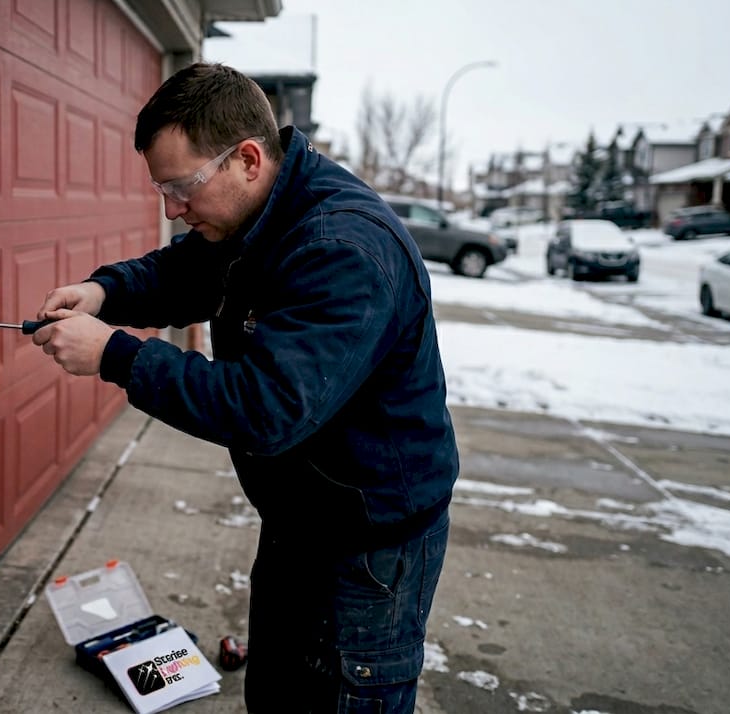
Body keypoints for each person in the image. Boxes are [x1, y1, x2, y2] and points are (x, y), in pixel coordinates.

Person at [30, 62, 459, 713]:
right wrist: (104, 291)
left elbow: (264, 409)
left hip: (369, 545)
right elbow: (185, 270)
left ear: (249, 159)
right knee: (280, 693)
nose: (172, 208)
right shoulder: (256, 217)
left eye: (181, 187)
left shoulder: (344, 251)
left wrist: (114, 354)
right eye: (161, 190)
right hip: (302, 516)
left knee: (340, 697)